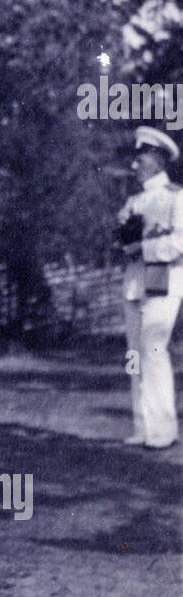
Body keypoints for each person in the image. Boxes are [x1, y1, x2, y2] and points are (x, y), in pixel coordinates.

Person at [116, 125, 183, 450]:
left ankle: (164, 429)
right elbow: (124, 245)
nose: (134, 165)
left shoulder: (176, 196)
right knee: (135, 354)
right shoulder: (133, 200)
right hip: (135, 282)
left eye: (141, 158)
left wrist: (142, 247)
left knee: (154, 349)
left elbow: (180, 243)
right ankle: (142, 426)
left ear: (157, 159)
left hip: (164, 280)